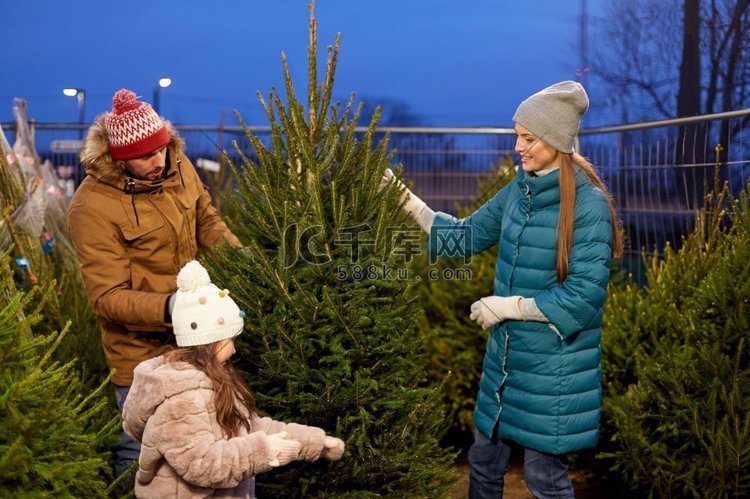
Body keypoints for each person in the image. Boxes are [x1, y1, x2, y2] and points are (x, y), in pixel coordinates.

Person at [381, 81, 623, 498]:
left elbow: (583, 298)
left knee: (544, 479)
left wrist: (508, 306)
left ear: (554, 140)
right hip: (506, 365)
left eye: (528, 138)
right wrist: (409, 203)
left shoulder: (589, 207)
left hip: (553, 372)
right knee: (483, 464)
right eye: (518, 135)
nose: (518, 147)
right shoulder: (519, 192)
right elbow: (466, 236)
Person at [67, 88, 241, 479]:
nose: (158, 161)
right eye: (145, 156)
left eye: (161, 149)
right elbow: (107, 298)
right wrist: (173, 308)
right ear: (119, 158)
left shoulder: (177, 164)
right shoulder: (91, 207)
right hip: (141, 357)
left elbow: (207, 220)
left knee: (205, 442)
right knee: (143, 453)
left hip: (199, 344)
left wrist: (245, 266)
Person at [122, 260, 345, 497]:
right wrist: (263, 452)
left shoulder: (215, 379)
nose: (234, 350)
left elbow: (251, 427)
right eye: (229, 341)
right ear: (208, 343)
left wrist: (314, 442)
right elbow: (202, 464)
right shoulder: (181, 399)